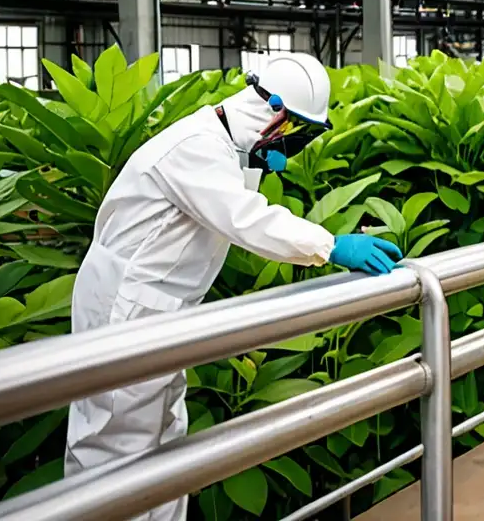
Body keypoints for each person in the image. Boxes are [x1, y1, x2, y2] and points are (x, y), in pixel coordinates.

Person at [65, 52, 402, 520]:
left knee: (163, 440)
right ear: (276, 113)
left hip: (156, 308)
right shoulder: (197, 147)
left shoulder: (224, 147)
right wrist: (330, 245)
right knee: (114, 444)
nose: (293, 143)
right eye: (297, 130)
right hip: (126, 307)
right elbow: (248, 220)